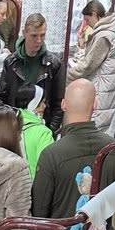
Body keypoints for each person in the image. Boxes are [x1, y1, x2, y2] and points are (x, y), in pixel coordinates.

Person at [30, 76, 104, 219]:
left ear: (63, 104)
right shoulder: (113, 149)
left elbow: (39, 212)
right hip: (100, 229)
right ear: (95, 104)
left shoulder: (51, 154)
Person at [67, 0, 115, 131]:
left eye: (87, 20)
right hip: (110, 88)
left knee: (98, 128)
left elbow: (88, 65)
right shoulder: (111, 32)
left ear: (94, 14)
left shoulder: (104, 36)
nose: (87, 24)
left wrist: (68, 76)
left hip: (104, 90)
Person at [0, 10, 63, 125]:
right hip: (14, 125)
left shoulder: (54, 64)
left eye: (42, 35)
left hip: (41, 127)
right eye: (34, 36)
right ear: (24, 33)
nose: (39, 40)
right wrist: (8, 122)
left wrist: (50, 131)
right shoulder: (11, 62)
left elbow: (59, 104)